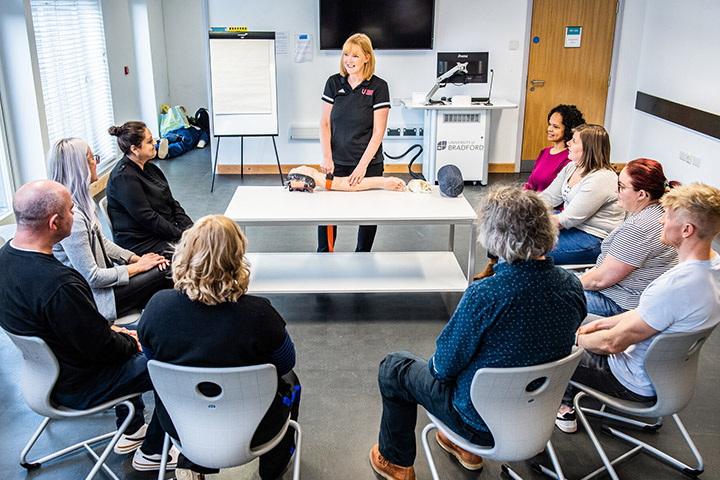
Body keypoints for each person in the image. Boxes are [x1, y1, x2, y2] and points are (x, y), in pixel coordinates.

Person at [369, 186, 586, 480]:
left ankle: (396, 462)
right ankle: (463, 449)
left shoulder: (486, 295)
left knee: (395, 367)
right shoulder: (572, 286)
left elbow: (442, 368)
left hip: (477, 421)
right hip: (533, 416)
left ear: (494, 237)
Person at [0, 180, 178, 472]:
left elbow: (86, 335)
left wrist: (113, 334)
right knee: (169, 361)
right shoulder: (59, 285)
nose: (76, 214)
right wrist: (132, 340)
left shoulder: (6, 259)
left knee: (127, 341)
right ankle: (154, 452)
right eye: (72, 210)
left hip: (45, 375)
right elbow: (104, 350)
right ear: (55, 222)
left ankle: (132, 430)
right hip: (79, 385)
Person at [138, 215, 300, 480]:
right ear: (237, 258)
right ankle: (273, 469)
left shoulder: (157, 307)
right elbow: (285, 363)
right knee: (291, 381)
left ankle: (190, 464)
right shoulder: (259, 314)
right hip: (257, 430)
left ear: (186, 254)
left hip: (181, 426)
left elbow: (151, 358)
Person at [556, 183, 720, 434]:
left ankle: (558, 407)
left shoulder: (672, 287)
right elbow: (650, 316)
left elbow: (612, 345)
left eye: (667, 216)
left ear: (687, 230)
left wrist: (574, 338)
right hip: (668, 375)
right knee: (581, 319)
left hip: (628, 380)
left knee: (548, 340)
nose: (661, 221)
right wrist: (602, 323)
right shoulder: (712, 267)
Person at [46, 138, 173, 321]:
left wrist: (135, 259)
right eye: (92, 158)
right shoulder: (72, 218)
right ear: (79, 167)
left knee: (161, 266)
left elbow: (101, 242)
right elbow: (93, 277)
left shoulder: (82, 203)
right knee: (166, 270)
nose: (96, 162)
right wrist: (138, 267)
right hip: (96, 299)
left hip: (106, 288)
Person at [319, 33, 390, 252]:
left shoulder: (378, 87)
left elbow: (378, 132)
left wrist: (362, 166)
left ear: (367, 58)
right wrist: (327, 157)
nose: (349, 60)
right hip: (337, 162)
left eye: (356, 56)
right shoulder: (334, 83)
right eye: (346, 54)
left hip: (368, 164)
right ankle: (324, 255)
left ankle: (363, 256)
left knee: (368, 215)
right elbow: (324, 123)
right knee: (328, 215)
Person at [580, 159, 678, 317]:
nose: (616, 192)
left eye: (621, 188)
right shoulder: (663, 212)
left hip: (618, 303)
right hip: (634, 297)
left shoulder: (638, 229)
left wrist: (566, 287)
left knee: (541, 296)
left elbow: (599, 280)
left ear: (641, 194)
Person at [539, 124, 625, 265]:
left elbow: (566, 219)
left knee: (524, 249)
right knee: (514, 235)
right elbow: (549, 198)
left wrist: (526, 222)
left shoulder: (601, 178)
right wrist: (523, 207)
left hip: (593, 239)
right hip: (573, 226)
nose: (568, 143)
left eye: (574, 140)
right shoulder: (572, 166)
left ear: (589, 148)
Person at [106, 121, 193, 256]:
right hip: (142, 240)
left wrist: (189, 229)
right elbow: (149, 218)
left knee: (205, 242)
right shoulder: (123, 178)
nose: (154, 143)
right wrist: (182, 236)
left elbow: (172, 202)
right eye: (149, 141)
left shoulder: (150, 167)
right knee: (197, 254)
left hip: (162, 231)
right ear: (134, 149)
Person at [524, 104, 586, 192]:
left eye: (555, 127)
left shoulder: (570, 158)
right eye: (549, 124)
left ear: (568, 130)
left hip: (551, 204)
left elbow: (561, 194)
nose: (550, 129)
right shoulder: (544, 152)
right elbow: (530, 184)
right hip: (535, 202)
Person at [287, 165, 405, 192]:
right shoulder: (301, 175)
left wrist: (384, 182)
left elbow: (344, 183)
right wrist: (383, 182)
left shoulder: (310, 176)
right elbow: (347, 184)